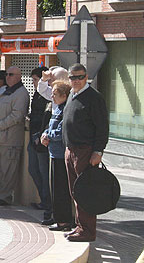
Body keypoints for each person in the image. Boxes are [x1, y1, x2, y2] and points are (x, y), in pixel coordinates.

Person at [62, 63, 109, 242]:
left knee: (85, 192)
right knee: (75, 192)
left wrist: (98, 151)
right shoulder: (72, 95)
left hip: (85, 151)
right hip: (71, 149)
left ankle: (88, 231)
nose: (76, 81)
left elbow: (102, 127)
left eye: (80, 77)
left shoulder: (94, 98)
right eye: (72, 77)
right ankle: (80, 226)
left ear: (86, 76)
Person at [0, 66, 30, 206]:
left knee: (8, 169)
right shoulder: (3, 90)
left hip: (9, 138)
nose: (8, 77)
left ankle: (4, 196)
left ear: (19, 76)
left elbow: (17, 115)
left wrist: (0, 124)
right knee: (1, 168)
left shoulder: (21, 93)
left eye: (11, 74)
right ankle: (1, 193)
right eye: (6, 74)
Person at [41, 81, 74, 232]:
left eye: (55, 94)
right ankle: (58, 217)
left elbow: (61, 132)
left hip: (61, 154)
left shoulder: (65, 110)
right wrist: (45, 133)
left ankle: (63, 221)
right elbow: (51, 126)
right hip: (54, 153)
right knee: (55, 187)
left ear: (64, 95)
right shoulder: (59, 108)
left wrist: (48, 135)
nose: (52, 97)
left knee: (61, 189)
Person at [27, 66, 52, 224]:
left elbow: (46, 117)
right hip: (33, 135)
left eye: (36, 80)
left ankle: (47, 203)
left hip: (42, 138)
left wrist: (40, 134)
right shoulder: (36, 94)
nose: (34, 83)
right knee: (33, 169)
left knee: (44, 172)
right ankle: (44, 200)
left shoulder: (48, 96)